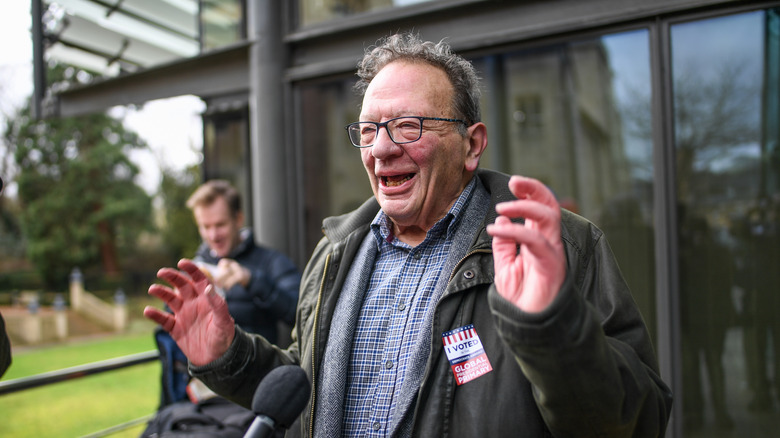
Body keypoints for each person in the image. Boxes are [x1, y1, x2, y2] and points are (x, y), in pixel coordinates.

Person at [145, 32, 673, 437]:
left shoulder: (557, 246)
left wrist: (551, 326)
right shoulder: (334, 253)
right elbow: (303, 389)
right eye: (368, 130)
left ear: (471, 145)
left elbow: (639, 421)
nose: (381, 148)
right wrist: (228, 356)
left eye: (408, 125)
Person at [186, 179, 300, 344]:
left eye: (220, 225)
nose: (213, 235)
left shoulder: (271, 262)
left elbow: (301, 313)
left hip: (259, 359)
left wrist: (252, 280)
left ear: (238, 219)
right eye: (206, 227)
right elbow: (172, 331)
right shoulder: (194, 268)